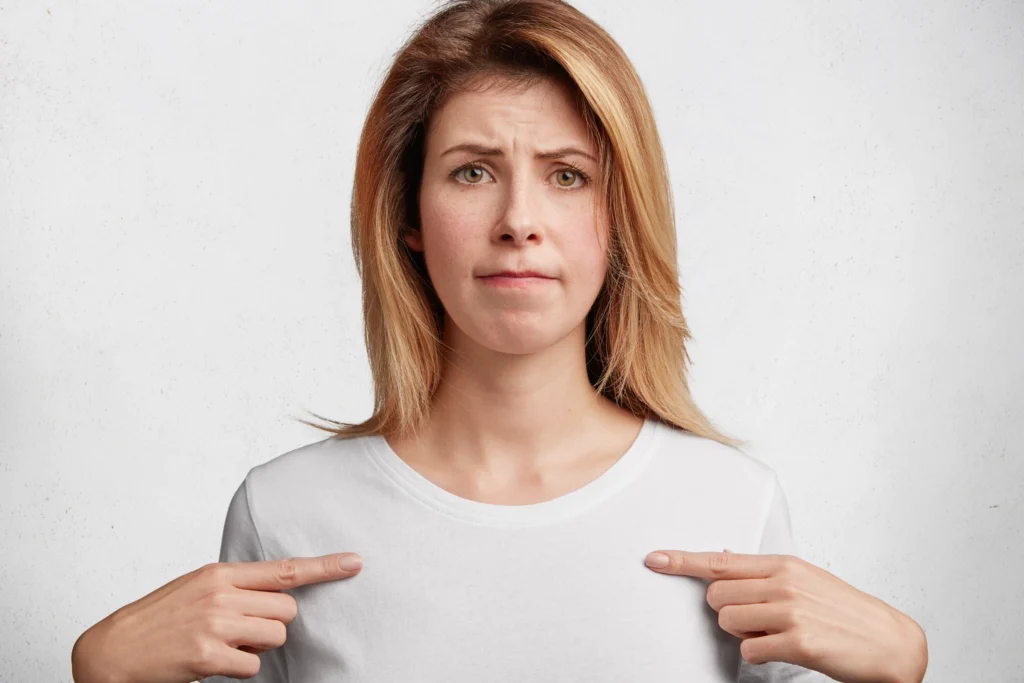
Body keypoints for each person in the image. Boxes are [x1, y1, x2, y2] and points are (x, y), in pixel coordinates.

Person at [71, 1, 929, 682]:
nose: (519, 221)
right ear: (408, 215)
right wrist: (102, 676)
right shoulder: (284, 515)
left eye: (567, 175)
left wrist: (900, 673)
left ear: (618, 216)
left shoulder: (731, 505)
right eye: (472, 171)